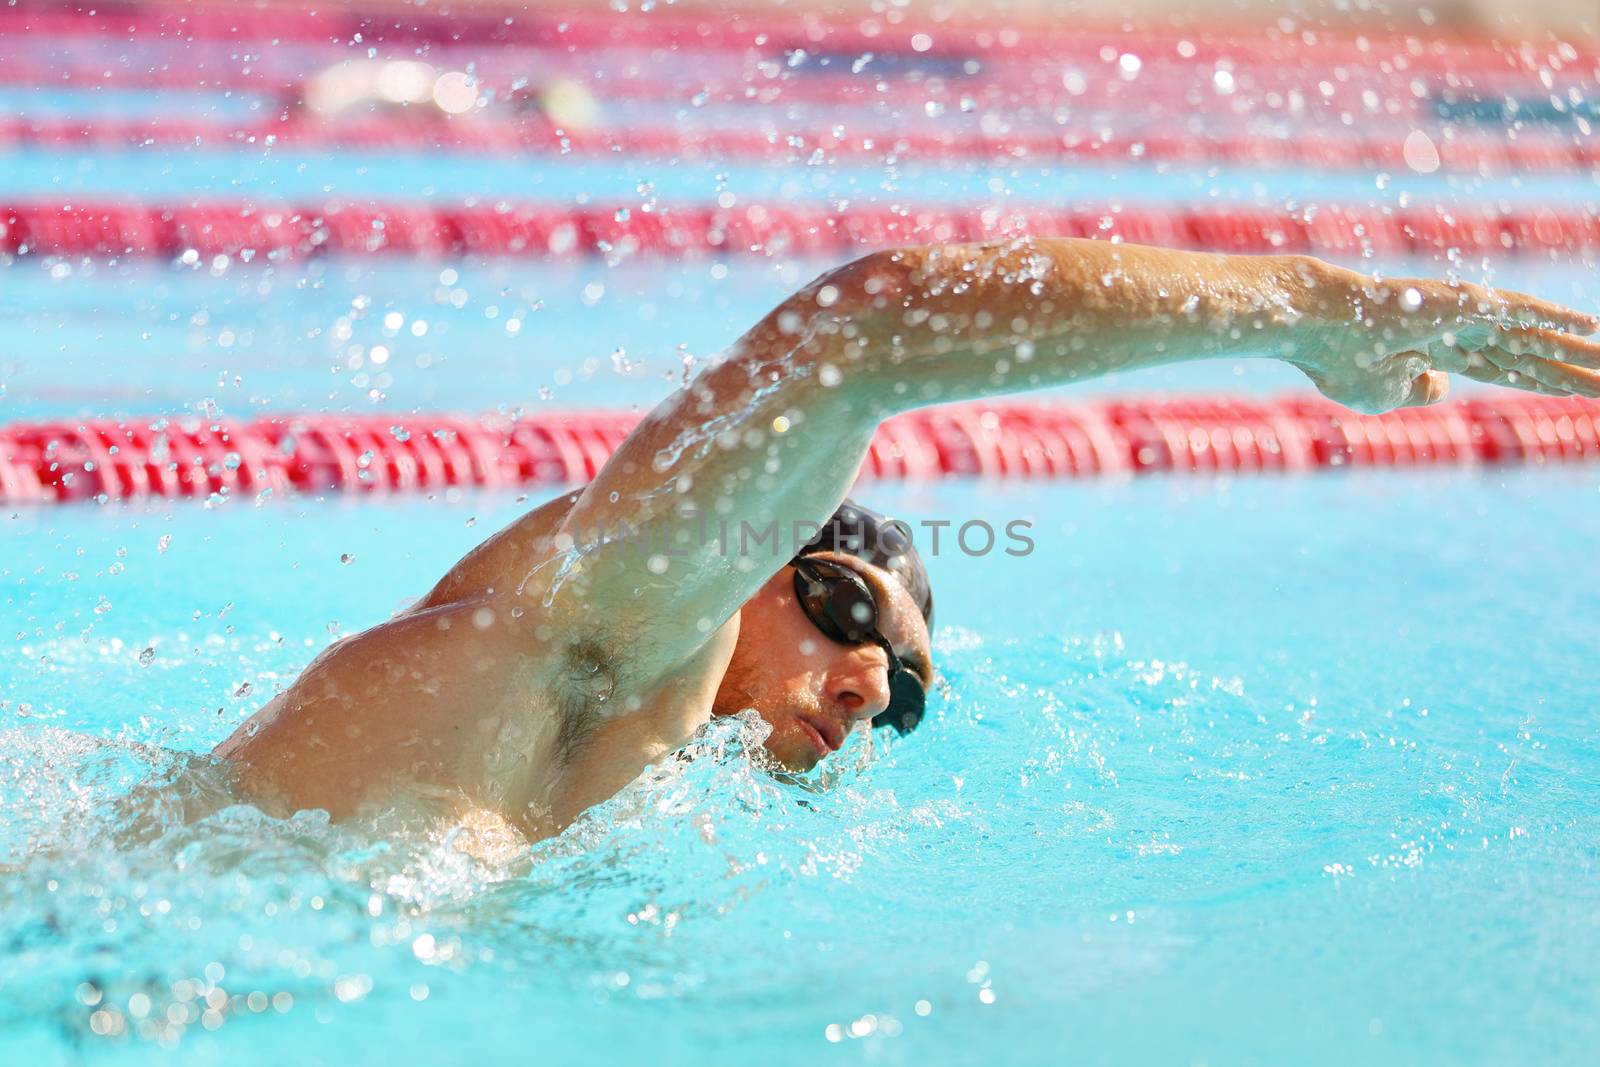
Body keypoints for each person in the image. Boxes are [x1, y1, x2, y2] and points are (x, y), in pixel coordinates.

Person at [216, 237, 1600, 840]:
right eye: (848, 608)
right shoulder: (621, 620)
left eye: (910, 693)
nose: (877, 683)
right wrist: (1307, 310)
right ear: (754, 560)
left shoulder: (612, 757)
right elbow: (862, 332)